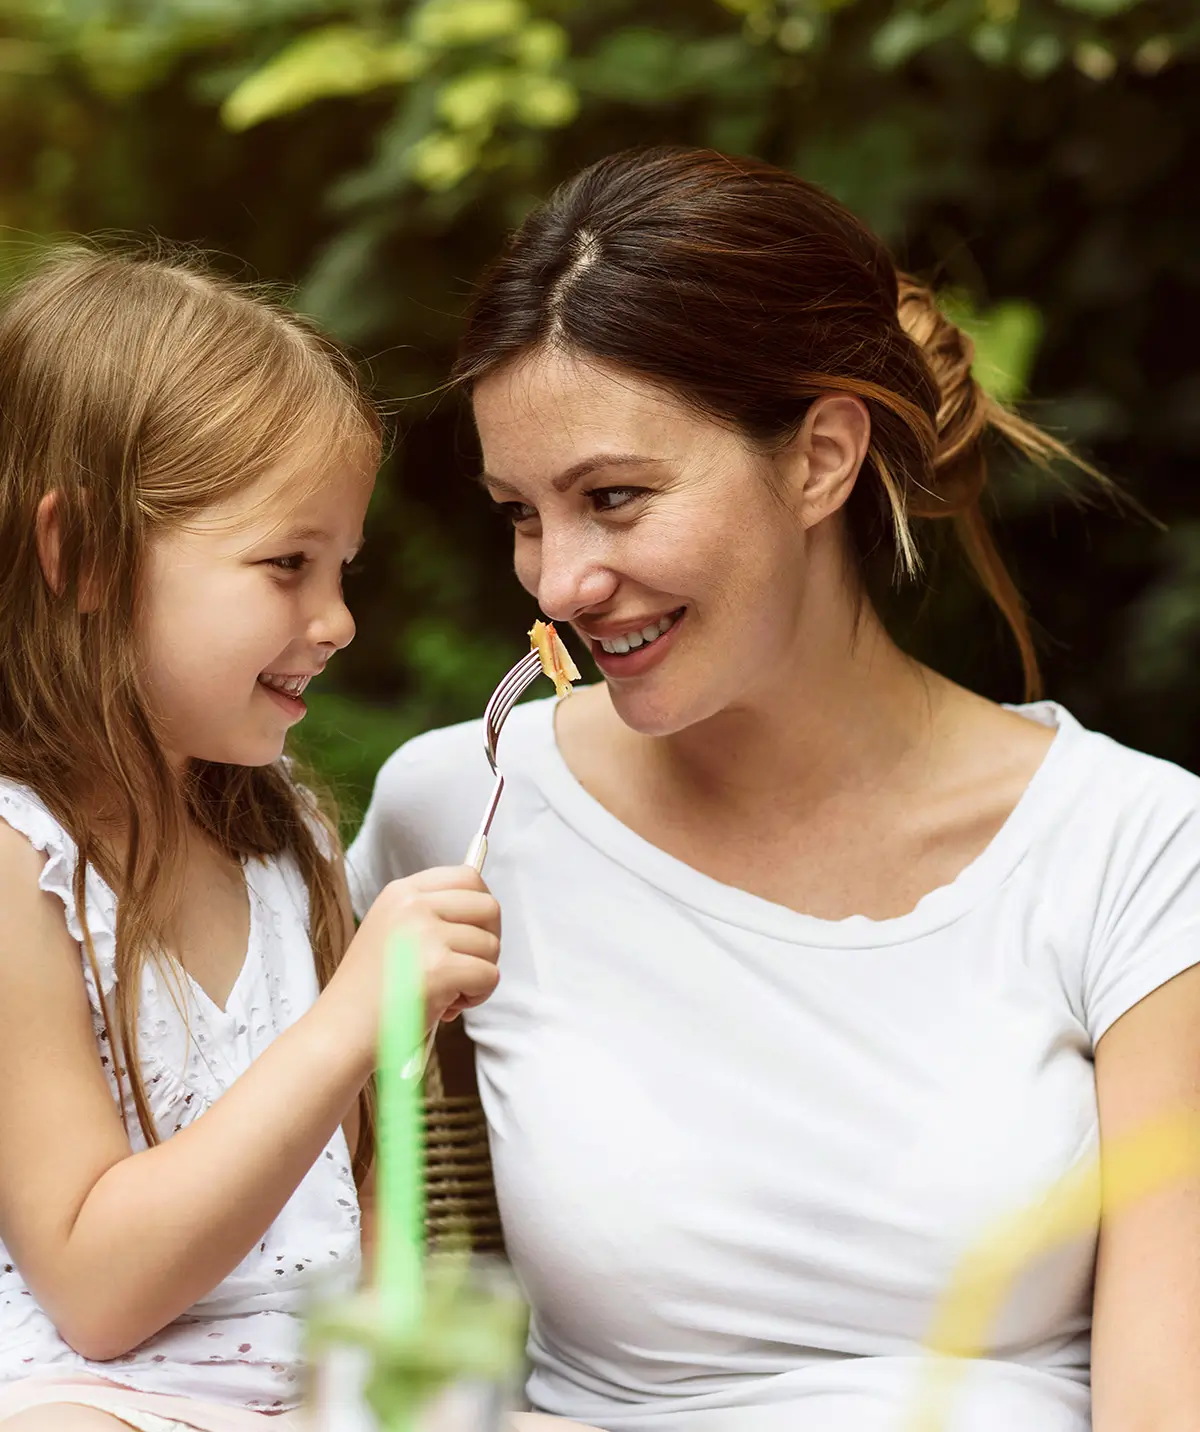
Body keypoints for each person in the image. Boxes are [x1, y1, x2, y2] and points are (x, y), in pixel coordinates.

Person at [347, 147, 1200, 1432]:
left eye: (615, 498)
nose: (559, 582)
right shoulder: (461, 814)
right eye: (521, 513)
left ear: (821, 458)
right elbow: (254, 1228)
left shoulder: (1135, 849)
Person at [0, 246, 535, 1432]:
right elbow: (93, 1288)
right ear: (81, 554)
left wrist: (402, 1389)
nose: (337, 619)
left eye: (342, 567)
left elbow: (370, 1181)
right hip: (98, 1398)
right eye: (287, 564)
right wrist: (353, 1013)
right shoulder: (15, 864)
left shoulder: (282, 833)